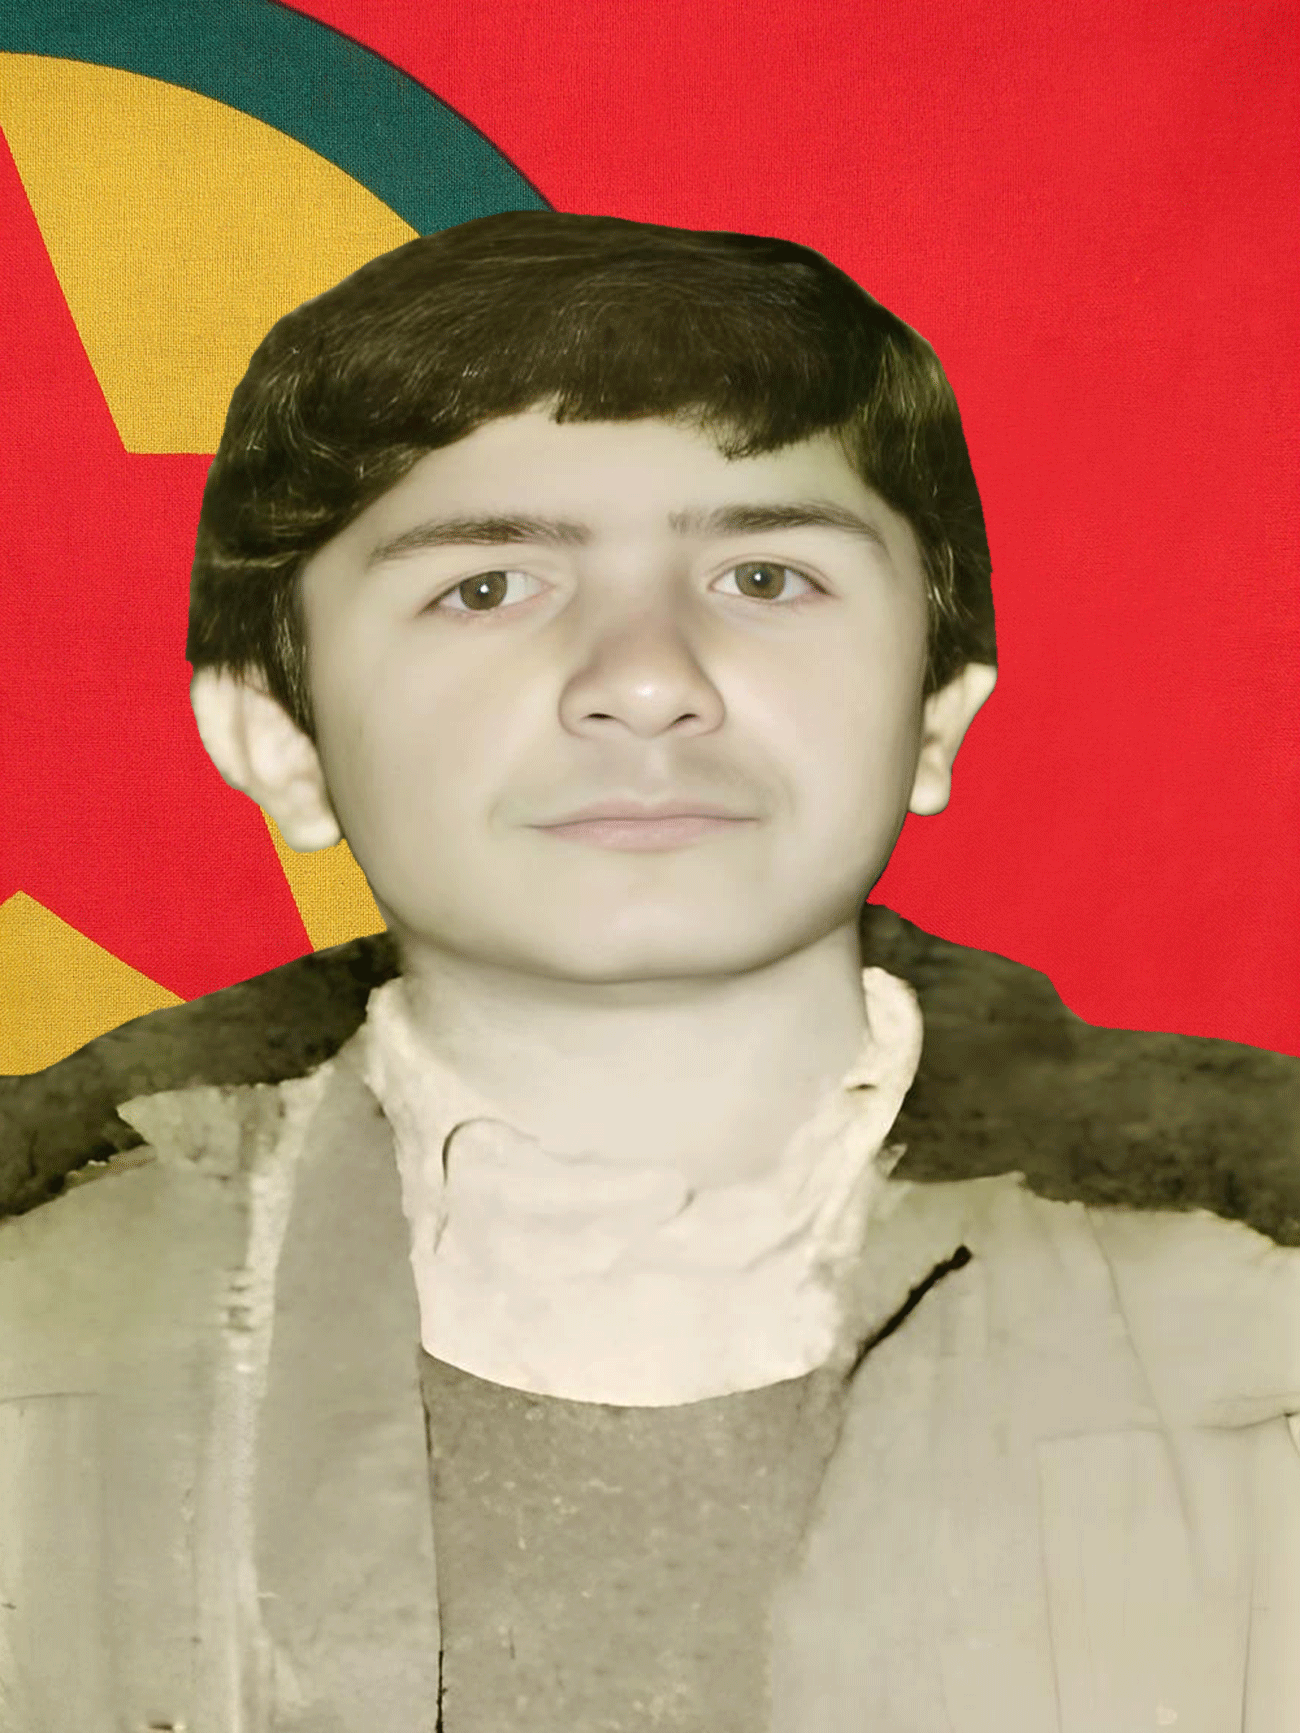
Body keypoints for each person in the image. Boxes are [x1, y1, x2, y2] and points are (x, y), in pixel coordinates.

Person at [1, 212, 1297, 1733]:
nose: (644, 681)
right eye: (488, 587)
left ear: (937, 710)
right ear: (276, 738)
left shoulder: (1257, 1273)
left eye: (766, 578)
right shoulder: (39, 1294)